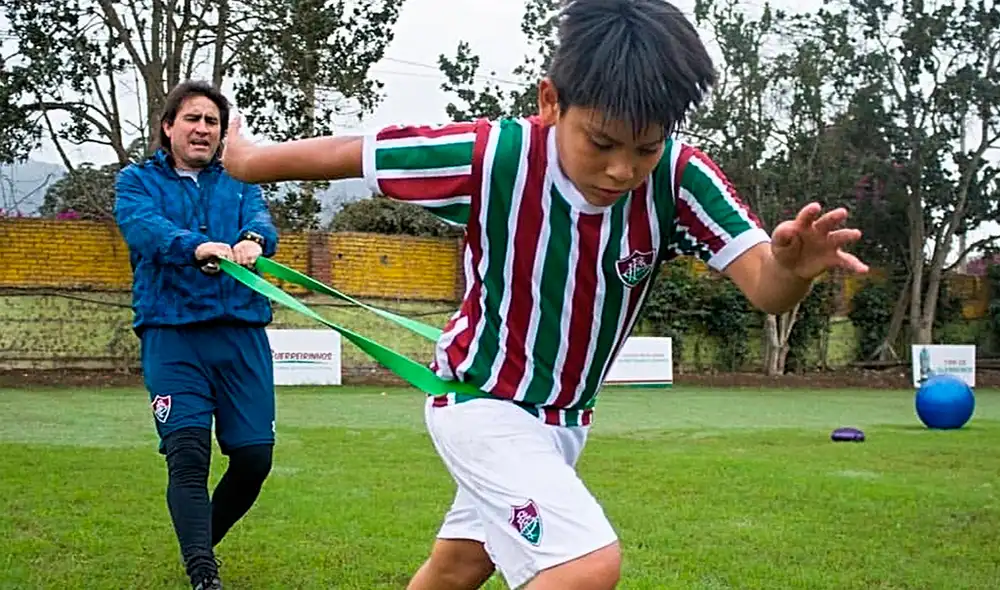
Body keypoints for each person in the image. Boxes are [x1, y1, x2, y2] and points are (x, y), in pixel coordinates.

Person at [220, 0, 869, 587]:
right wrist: (247, 161)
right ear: (552, 102)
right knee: (586, 565)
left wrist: (796, 268)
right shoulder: (494, 157)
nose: (622, 169)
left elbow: (766, 287)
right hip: (480, 404)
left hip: (565, 423)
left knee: (456, 569)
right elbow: (357, 155)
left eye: (645, 147)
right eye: (603, 143)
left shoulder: (678, 181)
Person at [114, 80, 280, 590]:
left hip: (240, 332)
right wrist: (198, 247)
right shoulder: (135, 181)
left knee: (254, 458)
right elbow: (143, 228)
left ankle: (199, 541)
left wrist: (253, 241)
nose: (202, 129)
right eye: (192, 119)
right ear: (168, 127)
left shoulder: (240, 178)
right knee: (188, 453)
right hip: (173, 333)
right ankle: (203, 573)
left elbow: (260, 220)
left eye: (212, 121)